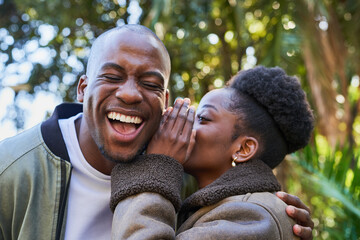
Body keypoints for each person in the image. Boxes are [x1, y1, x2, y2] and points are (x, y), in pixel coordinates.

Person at [0, 24, 312, 239]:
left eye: (150, 84)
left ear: (163, 101)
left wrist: (276, 219)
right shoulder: (11, 168)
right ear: (82, 88)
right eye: (112, 76)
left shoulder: (179, 172)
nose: (131, 94)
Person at [110, 66, 314, 239]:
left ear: (243, 149)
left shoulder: (253, 216)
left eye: (203, 118)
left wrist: (156, 167)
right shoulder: (226, 209)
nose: (186, 122)